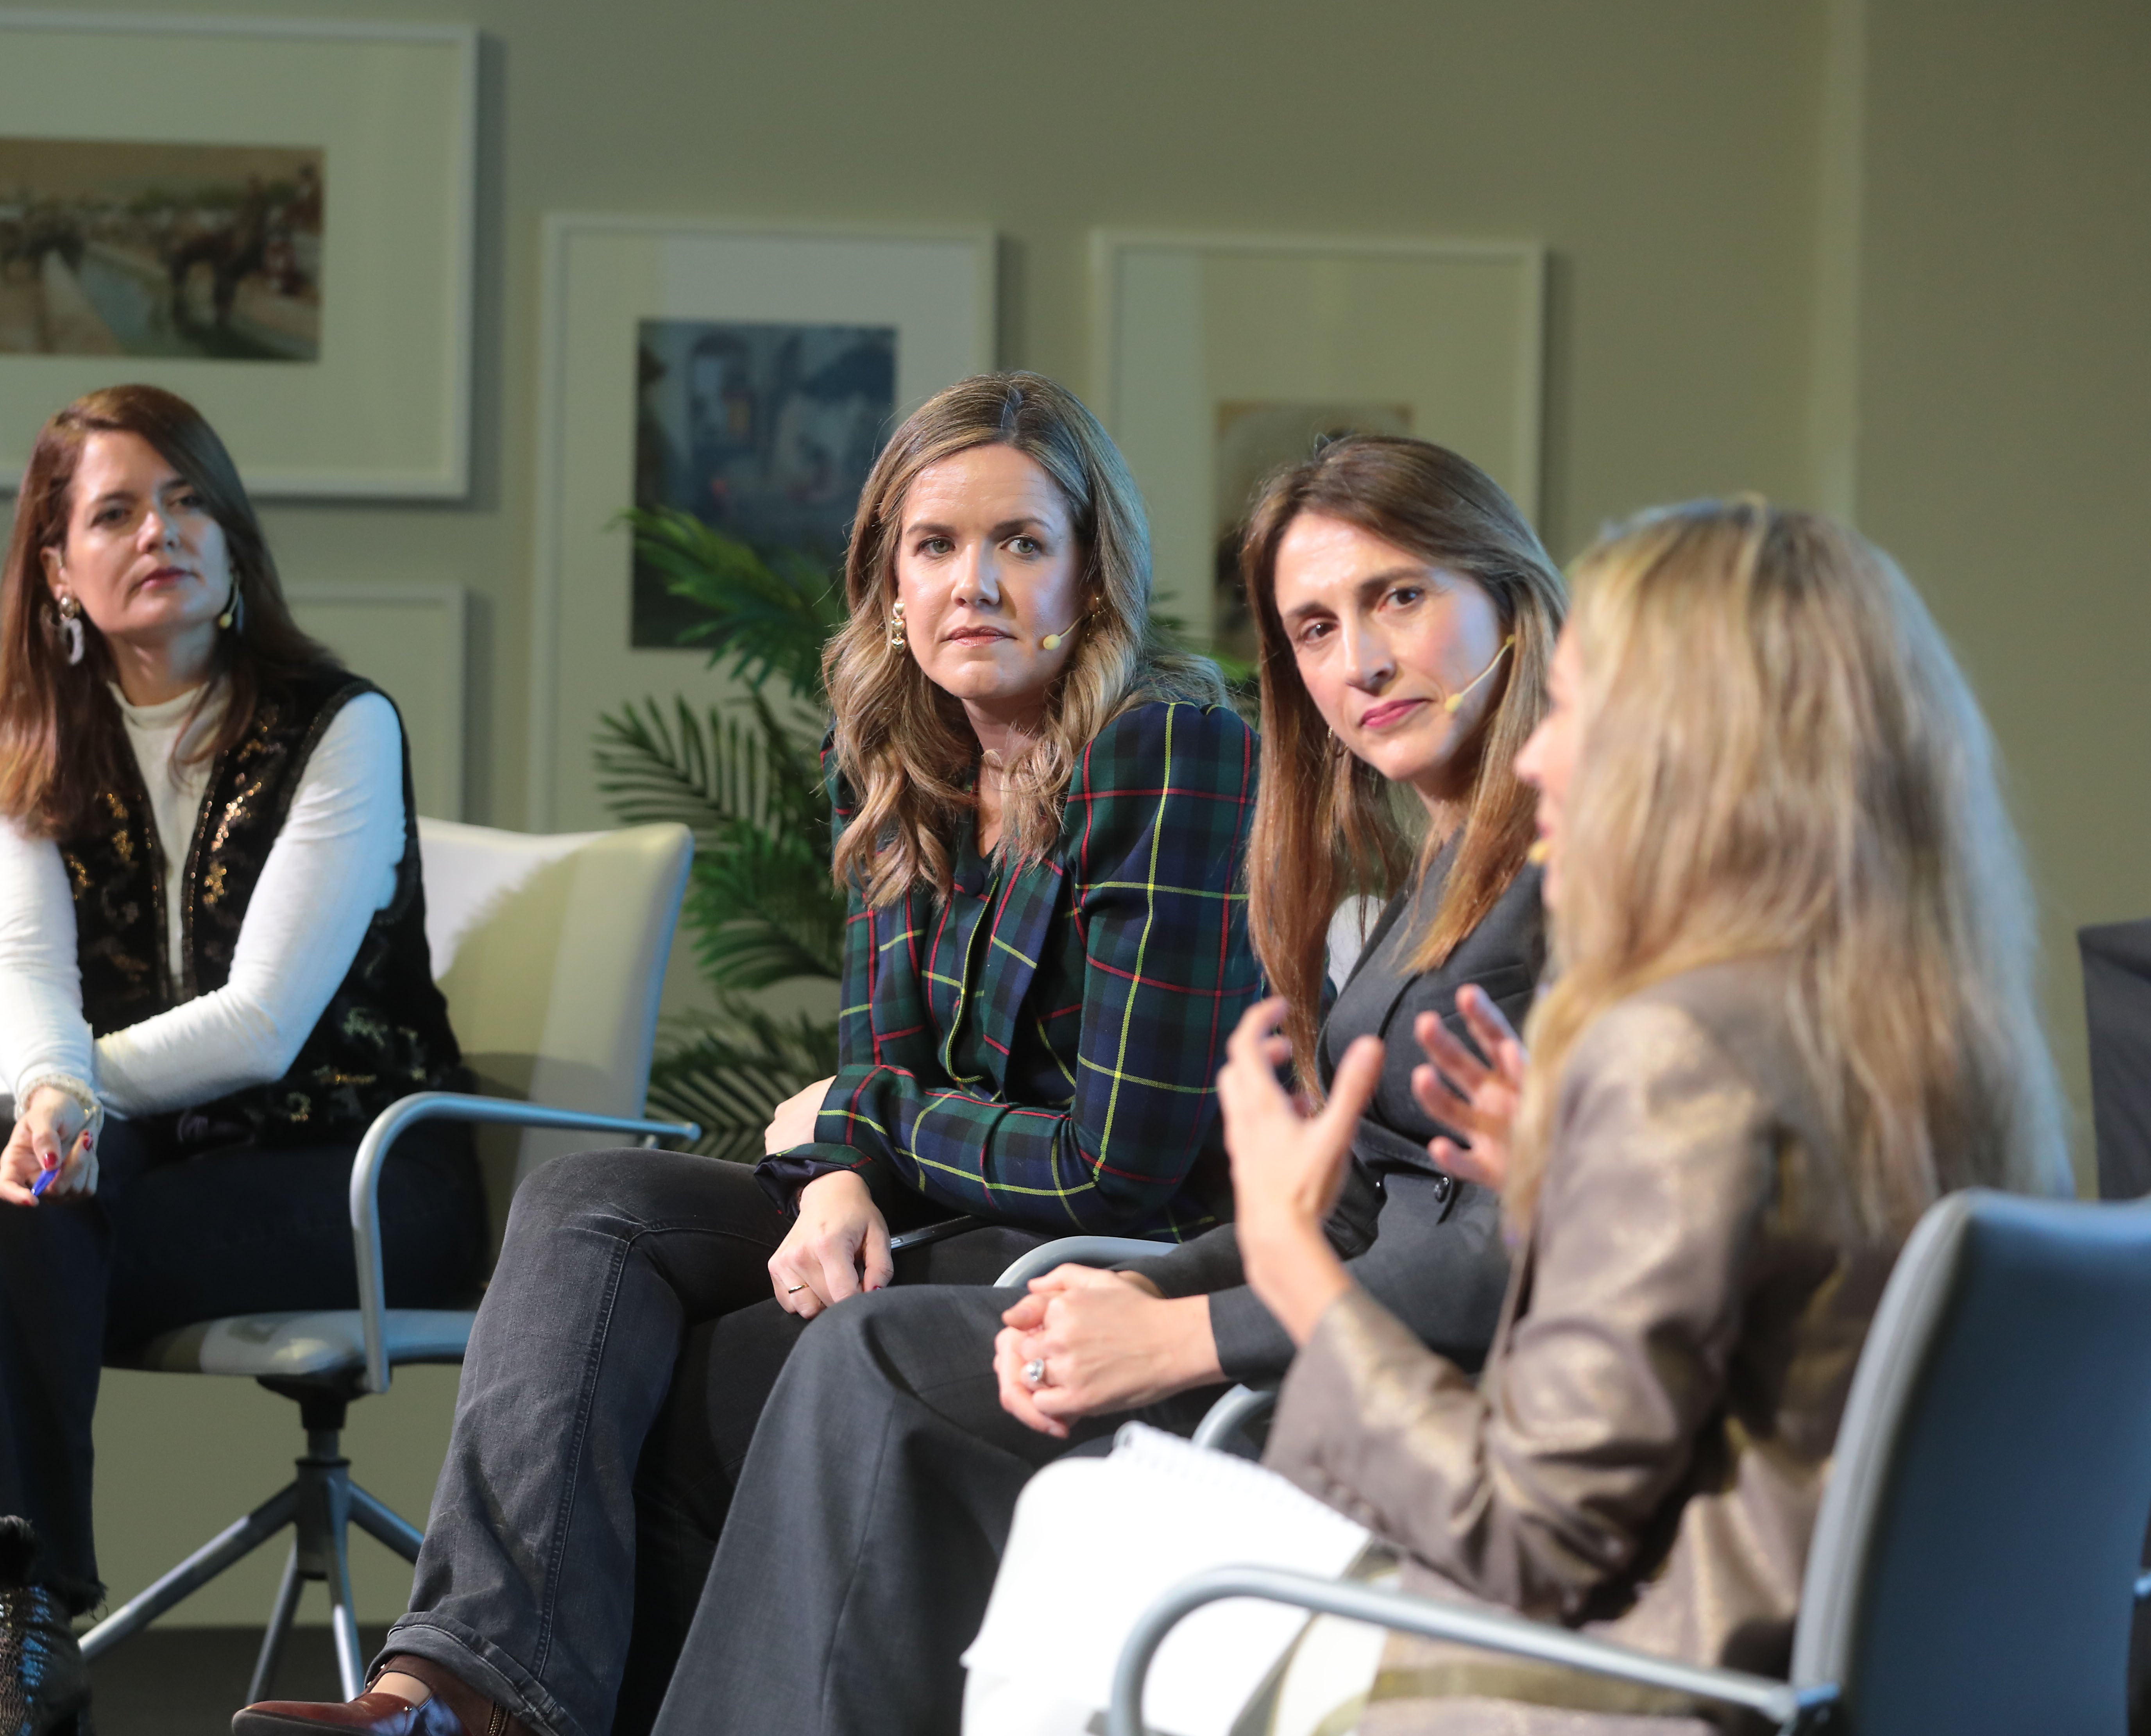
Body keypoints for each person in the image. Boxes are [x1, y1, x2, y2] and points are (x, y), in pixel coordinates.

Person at [234, 372, 1254, 1736]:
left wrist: (859, 1122)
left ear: (1091, 575)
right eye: (936, 547)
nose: (975, 583)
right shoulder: (897, 751)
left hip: (1111, 1243)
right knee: (585, 1203)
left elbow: (1115, 1164)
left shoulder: (1170, 746)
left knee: (689, 1385)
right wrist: (837, 1172)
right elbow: (873, 1054)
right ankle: (449, 1693)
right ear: (889, 582)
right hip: (936, 1199)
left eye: (1022, 543)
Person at [1069, 497, 2067, 1734]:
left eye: (1580, 710)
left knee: (1080, 1549)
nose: (1538, 756)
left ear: (1696, 747)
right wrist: (1564, 1187)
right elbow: (1784, 1359)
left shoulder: (1673, 1050)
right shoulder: (1951, 1040)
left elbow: (1528, 1540)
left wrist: (1290, 1265)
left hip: (1651, 1681)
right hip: (1873, 1674)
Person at [638, 436, 1561, 1735]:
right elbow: (1353, 1214)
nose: (1359, 662)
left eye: (1399, 597)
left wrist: (1177, 1331)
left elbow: (1497, 1258)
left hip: (1406, 1407)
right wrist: (1141, 1290)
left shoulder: (1568, 888)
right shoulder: (1445, 874)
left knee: (861, 1364)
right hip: (1306, 1338)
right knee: (612, 1225)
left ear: (1511, 601)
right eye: (1313, 625)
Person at [0, 385, 486, 1736]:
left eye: (188, 499)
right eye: (117, 511)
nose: (161, 529)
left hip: (361, 1180)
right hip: (163, 1170)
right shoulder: (19, 734)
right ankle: (18, 1629)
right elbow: (28, 981)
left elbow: (262, 1026)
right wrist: (30, 1097)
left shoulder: (343, 725)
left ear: (230, 538)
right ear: (58, 569)